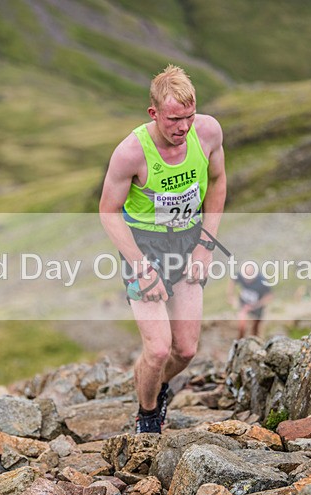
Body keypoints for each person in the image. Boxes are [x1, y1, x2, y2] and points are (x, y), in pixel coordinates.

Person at [99, 65, 227, 434]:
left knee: (184, 350)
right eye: (174, 119)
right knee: (157, 349)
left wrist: (206, 245)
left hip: (188, 243)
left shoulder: (208, 132)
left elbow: (217, 183)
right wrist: (141, 267)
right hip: (144, 247)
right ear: (154, 113)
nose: (183, 128)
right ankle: (147, 412)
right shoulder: (130, 153)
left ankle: (154, 383)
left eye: (189, 116)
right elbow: (108, 212)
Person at [227, 263, 273, 338]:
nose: (247, 280)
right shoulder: (240, 275)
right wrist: (230, 295)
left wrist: (257, 305)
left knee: (256, 326)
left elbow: (269, 295)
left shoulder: (262, 281)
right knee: (242, 323)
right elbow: (232, 280)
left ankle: (254, 338)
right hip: (244, 302)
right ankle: (240, 339)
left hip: (257, 305)